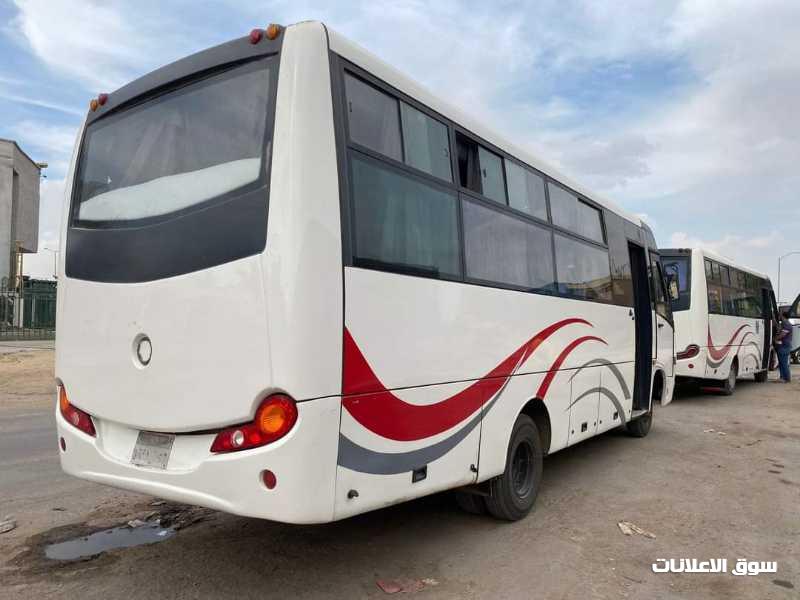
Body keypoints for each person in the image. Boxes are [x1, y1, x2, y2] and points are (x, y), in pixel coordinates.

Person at [775, 310, 794, 383]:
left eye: (780, 314)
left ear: (783, 316)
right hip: (782, 345)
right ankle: (782, 377)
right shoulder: (783, 323)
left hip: (784, 346)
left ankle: (786, 378)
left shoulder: (786, 324)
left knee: (783, 362)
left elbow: (783, 334)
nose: (779, 316)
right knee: (781, 362)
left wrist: (775, 338)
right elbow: (778, 328)